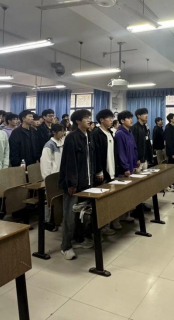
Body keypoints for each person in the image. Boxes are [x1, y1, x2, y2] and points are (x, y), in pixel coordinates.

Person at [59, 109, 103, 259]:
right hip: (74, 184)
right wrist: (71, 183)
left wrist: (97, 173)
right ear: (78, 121)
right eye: (86, 118)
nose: (89, 120)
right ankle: (65, 246)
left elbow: (93, 157)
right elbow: (69, 162)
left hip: (88, 181)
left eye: (89, 117)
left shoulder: (89, 136)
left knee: (83, 215)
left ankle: (79, 239)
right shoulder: (71, 137)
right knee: (70, 217)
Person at [92, 109, 119, 233]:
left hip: (112, 170)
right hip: (103, 172)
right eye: (109, 118)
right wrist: (99, 171)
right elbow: (96, 154)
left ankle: (111, 221)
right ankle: (102, 227)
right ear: (102, 120)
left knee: (111, 199)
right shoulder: (96, 134)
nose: (112, 120)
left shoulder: (110, 132)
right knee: (102, 202)